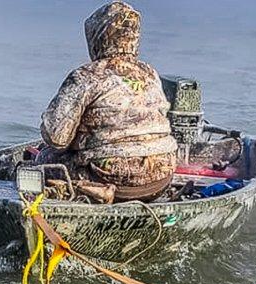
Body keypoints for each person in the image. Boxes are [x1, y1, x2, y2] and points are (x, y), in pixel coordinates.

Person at [36, 1, 178, 203]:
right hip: (160, 180)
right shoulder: (150, 73)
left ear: (98, 36)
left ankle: (92, 191)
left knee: (43, 160)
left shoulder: (87, 75)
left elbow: (56, 137)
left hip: (110, 179)